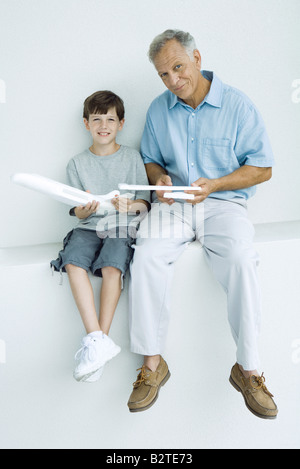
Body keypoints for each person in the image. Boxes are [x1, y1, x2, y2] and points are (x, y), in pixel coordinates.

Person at [127, 29, 278, 419]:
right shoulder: (159, 110)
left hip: (223, 205)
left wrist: (217, 184)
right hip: (174, 206)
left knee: (243, 260)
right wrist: (159, 179)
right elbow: (150, 158)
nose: (173, 80)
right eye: (163, 74)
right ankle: (152, 365)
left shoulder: (238, 105)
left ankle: (249, 369)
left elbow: (262, 168)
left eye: (178, 67)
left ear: (197, 58)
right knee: (145, 256)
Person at [51, 90, 150, 383]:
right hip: (87, 228)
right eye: (96, 119)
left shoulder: (132, 158)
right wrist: (86, 210)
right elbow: (77, 212)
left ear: (121, 123)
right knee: (73, 262)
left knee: (112, 267)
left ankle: (98, 342)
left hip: (121, 228)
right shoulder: (77, 164)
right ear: (86, 124)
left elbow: (145, 204)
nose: (103, 125)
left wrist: (129, 205)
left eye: (110, 119)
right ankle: (96, 338)